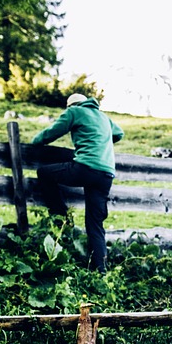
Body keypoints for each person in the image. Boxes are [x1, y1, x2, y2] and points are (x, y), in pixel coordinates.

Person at [32, 93, 124, 273]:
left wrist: (34, 142)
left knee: (44, 173)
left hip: (86, 168)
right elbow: (119, 133)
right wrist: (100, 142)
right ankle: (101, 271)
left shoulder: (74, 111)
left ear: (71, 106)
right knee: (95, 224)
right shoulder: (104, 117)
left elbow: (52, 132)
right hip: (106, 174)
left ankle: (61, 214)